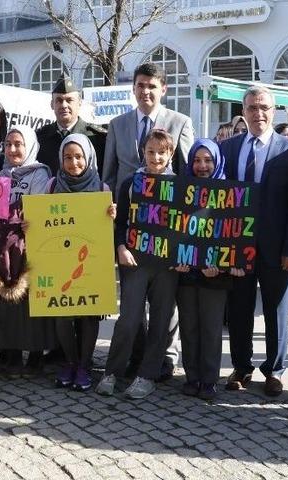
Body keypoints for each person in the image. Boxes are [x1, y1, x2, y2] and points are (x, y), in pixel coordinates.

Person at [220, 86, 288, 397]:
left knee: (276, 310)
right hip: (238, 247)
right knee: (240, 308)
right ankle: (241, 366)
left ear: (275, 111)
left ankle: (275, 370)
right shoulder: (228, 149)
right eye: (253, 107)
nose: (259, 113)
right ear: (243, 111)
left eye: (265, 107)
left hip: (276, 247)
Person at [96, 129, 179, 400]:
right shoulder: (131, 183)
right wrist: (120, 246)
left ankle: (147, 374)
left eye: (162, 152)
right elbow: (120, 224)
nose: (156, 157)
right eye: (151, 151)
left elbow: (189, 228)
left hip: (167, 264)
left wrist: (183, 257)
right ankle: (113, 370)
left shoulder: (181, 186)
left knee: (160, 320)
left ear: (171, 154)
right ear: (143, 152)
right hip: (135, 259)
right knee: (129, 319)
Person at [47, 133, 115, 392]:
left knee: (88, 315)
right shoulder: (53, 185)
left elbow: (110, 228)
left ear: (88, 158)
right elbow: (43, 220)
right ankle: (70, 362)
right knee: (62, 314)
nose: (73, 162)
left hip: (90, 263)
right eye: (68, 157)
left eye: (78, 157)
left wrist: (111, 215)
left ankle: (85, 365)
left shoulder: (102, 188)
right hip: (60, 260)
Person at [176, 139, 242, 400]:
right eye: (197, 160)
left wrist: (223, 265)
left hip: (215, 275)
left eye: (208, 160)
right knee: (188, 326)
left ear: (217, 162)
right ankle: (192, 377)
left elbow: (235, 234)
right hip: (186, 272)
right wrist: (178, 258)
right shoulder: (181, 190)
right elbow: (173, 230)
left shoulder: (229, 193)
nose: (202, 166)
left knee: (212, 328)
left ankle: (209, 380)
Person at [0, 126, 54, 378]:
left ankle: (36, 356)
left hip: (32, 245)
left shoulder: (41, 174)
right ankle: (13, 353)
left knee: (33, 303)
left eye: (19, 144)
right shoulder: (1, 174)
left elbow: (39, 208)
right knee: (10, 302)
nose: (13, 149)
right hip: (6, 247)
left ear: (30, 146)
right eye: (8, 144)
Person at [101, 62, 194, 196]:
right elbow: (109, 174)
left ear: (163, 90)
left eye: (151, 86)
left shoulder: (180, 123)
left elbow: (186, 170)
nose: (145, 91)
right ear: (133, 89)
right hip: (125, 205)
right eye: (140, 85)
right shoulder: (116, 125)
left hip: (162, 205)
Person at [35, 74, 107, 176]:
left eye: (69, 100)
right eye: (59, 100)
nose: (64, 105)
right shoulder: (40, 138)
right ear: (52, 104)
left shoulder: (97, 137)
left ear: (79, 103)